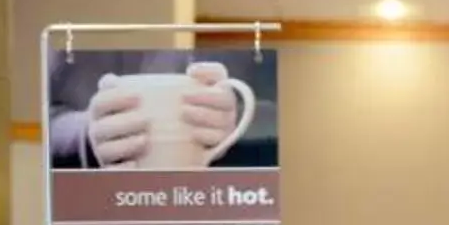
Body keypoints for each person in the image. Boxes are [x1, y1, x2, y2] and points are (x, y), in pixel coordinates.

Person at [45, 49, 278, 169]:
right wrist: (83, 136)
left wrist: (235, 122)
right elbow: (36, 117)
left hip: (213, 209)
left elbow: (280, 114)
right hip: (97, 213)